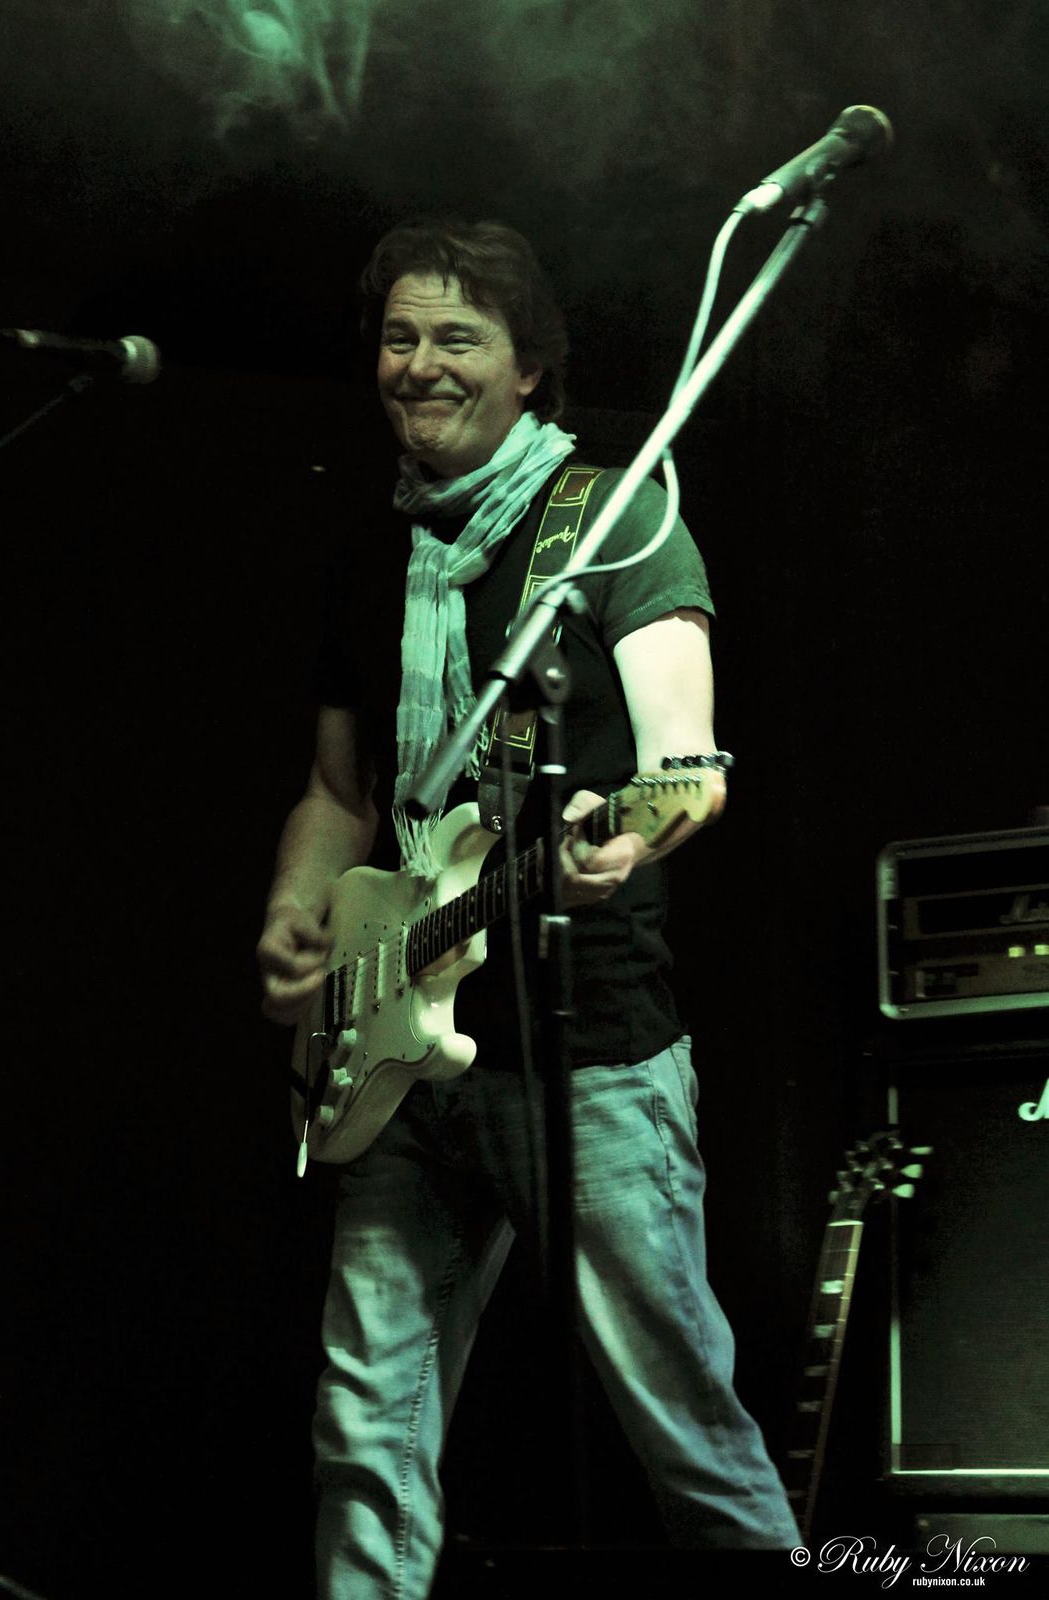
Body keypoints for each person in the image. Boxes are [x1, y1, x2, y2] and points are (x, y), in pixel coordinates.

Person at [256, 219, 800, 1594]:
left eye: (459, 337)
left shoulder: (614, 521)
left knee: (684, 1426)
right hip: (398, 1052)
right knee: (366, 1428)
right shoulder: (369, 555)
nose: (421, 364)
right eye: (400, 337)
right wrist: (298, 912)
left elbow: (685, 766)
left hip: (584, 1049)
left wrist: (630, 833)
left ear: (530, 367)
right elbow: (338, 793)